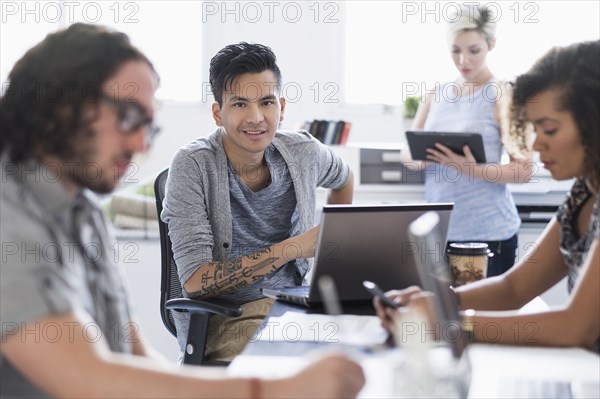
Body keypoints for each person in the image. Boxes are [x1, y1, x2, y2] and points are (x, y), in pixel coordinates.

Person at [0, 24, 365, 398]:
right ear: (61, 107)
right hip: (234, 320)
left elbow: (136, 360)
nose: (141, 144)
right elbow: (89, 380)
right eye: (127, 117)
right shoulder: (9, 218)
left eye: (148, 126)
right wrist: (274, 389)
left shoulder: (85, 213)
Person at [377, 40, 600, 352]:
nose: (536, 146)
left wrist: (446, 324)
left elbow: (576, 327)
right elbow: (515, 287)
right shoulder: (583, 193)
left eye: (548, 130)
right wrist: (440, 301)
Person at [161, 42, 354, 362]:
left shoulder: (302, 151)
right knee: (303, 366)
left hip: (297, 309)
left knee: (373, 345)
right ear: (217, 112)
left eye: (266, 102)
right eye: (239, 104)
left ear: (282, 106)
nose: (256, 118)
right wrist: (291, 248)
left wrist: (333, 254)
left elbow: (344, 178)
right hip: (228, 320)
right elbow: (196, 282)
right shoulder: (193, 164)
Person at [408, 5, 533, 277]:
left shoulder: (502, 95)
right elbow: (408, 153)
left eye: (474, 51)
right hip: (438, 234)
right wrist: (423, 156)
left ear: (491, 45)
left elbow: (524, 170)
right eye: (456, 50)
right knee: (443, 318)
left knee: (481, 320)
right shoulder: (435, 94)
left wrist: (468, 168)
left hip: (489, 236)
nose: (464, 60)